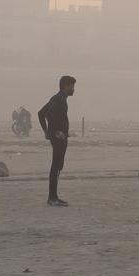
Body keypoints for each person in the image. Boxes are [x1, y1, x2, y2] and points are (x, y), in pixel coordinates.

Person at [39, 75, 75, 206]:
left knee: (58, 166)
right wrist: (55, 132)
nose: (73, 89)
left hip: (59, 137)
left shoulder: (59, 98)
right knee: (56, 167)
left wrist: (47, 132)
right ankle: (52, 198)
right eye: (72, 86)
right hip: (58, 139)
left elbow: (41, 113)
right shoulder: (59, 99)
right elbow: (48, 115)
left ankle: (53, 197)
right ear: (65, 86)